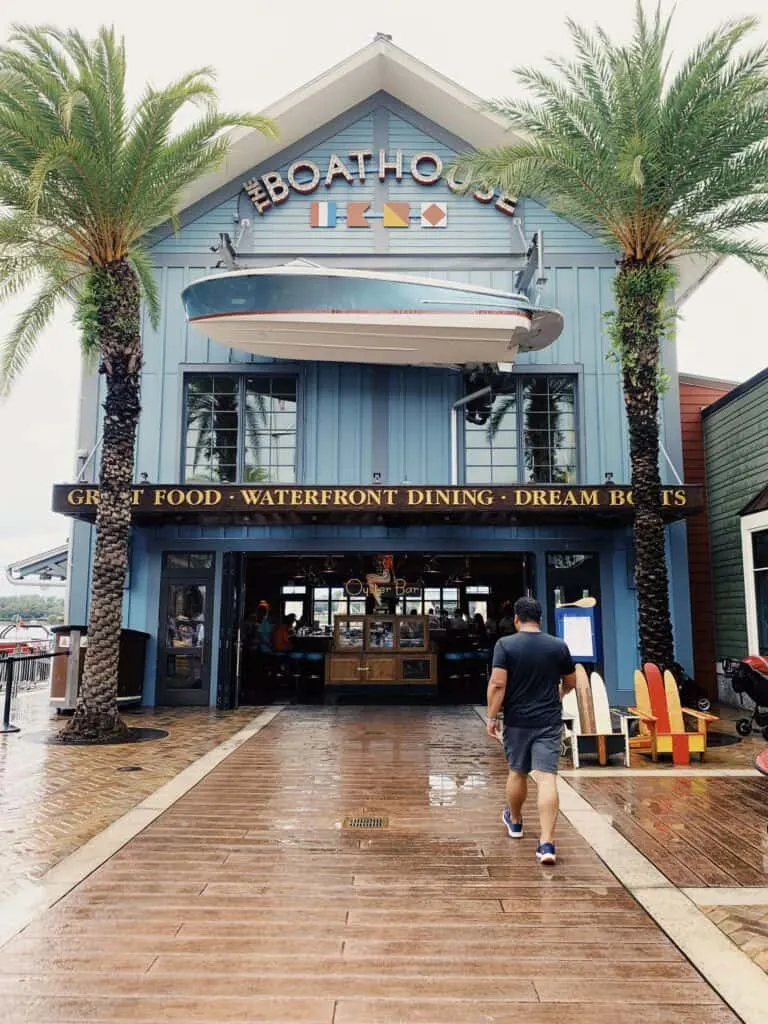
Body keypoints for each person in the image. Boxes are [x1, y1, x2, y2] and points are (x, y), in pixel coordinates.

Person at [486, 596, 577, 865]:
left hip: (517, 721)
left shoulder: (505, 645)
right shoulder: (558, 646)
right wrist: (559, 693)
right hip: (548, 721)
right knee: (547, 778)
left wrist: (491, 716)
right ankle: (546, 844)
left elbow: (498, 684)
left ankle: (515, 822)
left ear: (516, 618)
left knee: (517, 771)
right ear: (540, 619)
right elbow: (571, 681)